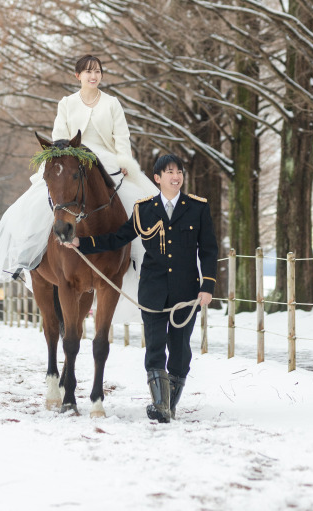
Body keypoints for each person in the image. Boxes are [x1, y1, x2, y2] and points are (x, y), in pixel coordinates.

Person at [0, 55, 155, 300]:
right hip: (71, 162)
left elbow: (121, 137)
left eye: (97, 71)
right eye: (88, 71)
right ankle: (28, 254)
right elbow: (59, 135)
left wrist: (124, 162)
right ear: (77, 76)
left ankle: (138, 260)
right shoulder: (67, 103)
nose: (93, 75)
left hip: (105, 164)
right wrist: (66, 159)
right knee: (37, 203)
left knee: (141, 204)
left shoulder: (112, 103)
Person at [62, 153, 218, 423]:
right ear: (157, 179)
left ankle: (169, 403)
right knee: (155, 348)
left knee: (180, 351)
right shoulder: (143, 209)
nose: (175, 176)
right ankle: (161, 407)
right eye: (169, 172)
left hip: (186, 292)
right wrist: (81, 244)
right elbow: (117, 238)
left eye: (178, 171)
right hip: (153, 291)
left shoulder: (197, 208)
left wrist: (208, 286)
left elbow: (208, 250)